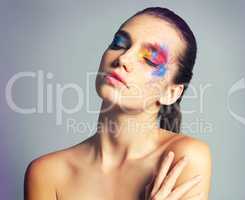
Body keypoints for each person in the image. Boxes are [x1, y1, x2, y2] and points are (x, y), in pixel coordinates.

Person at [24, 7, 212, 200]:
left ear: (171, 93)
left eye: (150, 59)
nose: (123, 58)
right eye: (119, 43)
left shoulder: (184, 159)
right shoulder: (47, 174)